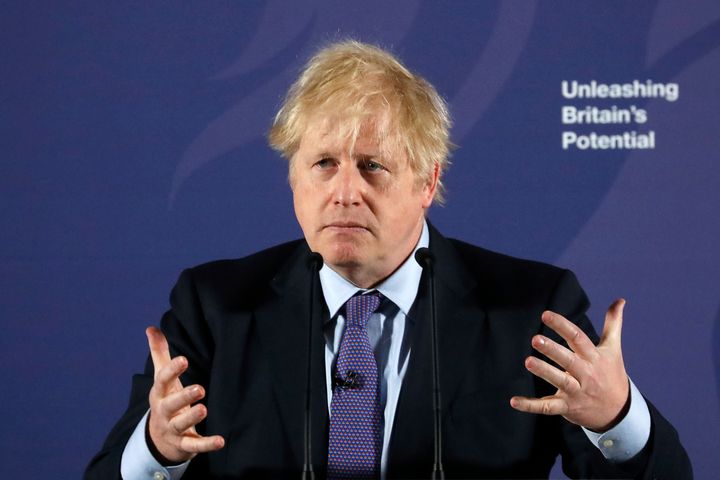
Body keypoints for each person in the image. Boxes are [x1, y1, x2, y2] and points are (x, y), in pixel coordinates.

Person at [86, 40, 691, 479]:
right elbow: (110, 473)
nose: (345, 191)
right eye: (323, 163)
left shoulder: (531, 310)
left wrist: (616, 417)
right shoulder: (214, 308)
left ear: (427, 183)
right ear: (293, 179)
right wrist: (158, 450)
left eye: (372, 166)